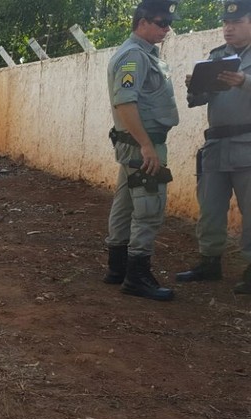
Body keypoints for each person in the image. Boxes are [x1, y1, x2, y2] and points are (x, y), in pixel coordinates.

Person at [102, 0, 180, 301]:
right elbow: (125, 102)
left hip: (134, 144)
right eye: (161, 23)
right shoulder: (134, 56)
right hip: (142, 145)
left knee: (125, 203)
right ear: (142, 22)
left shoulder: (142, 54)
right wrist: (147, 145)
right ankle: (137, 275)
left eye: (168, 24)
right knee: (148, 206)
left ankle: (118, 267)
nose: (166, 29)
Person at [175, 0, 251, 294]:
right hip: (216, 143)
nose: (228, 28)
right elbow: (199, 100)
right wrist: (196, 86)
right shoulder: (217, 56)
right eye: (225, 23)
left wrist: (243, 80)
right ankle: (209, 261)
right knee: (210, 207)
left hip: (247, 145)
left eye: (236, 22)